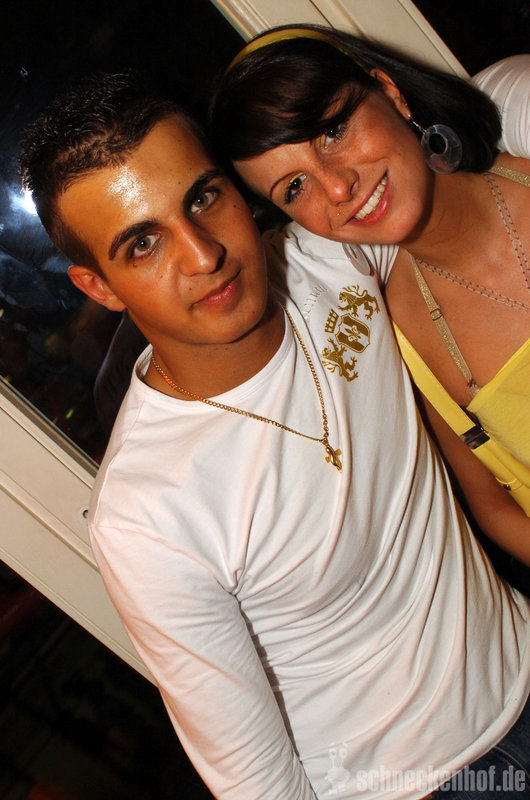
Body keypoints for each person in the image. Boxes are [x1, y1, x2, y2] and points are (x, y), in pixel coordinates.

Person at [19, 72, 530, 800]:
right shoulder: (145, 517)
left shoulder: (329, 256)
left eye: (203, 199)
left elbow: (479, 110)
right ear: (98, 287)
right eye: (143, 244)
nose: (203, 254)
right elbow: (256, 782)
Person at [210, 25, 530, 568]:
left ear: (391, 93)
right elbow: (495, 509)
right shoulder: (406, 338)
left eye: (332, 132)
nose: (337, 188)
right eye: (295, 188)